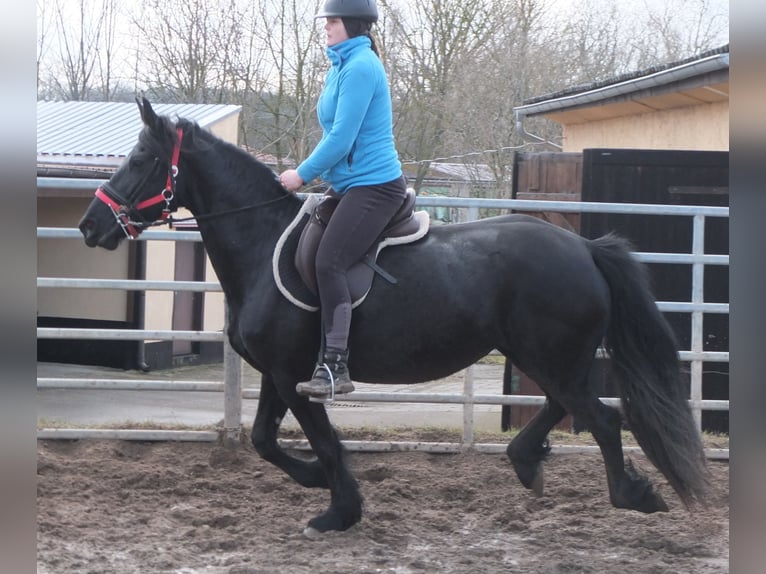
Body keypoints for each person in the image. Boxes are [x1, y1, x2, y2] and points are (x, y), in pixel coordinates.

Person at [279, 0, 407, 398]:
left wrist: (301, 174)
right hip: (349, 184)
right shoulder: (340, 67)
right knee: (308, 244)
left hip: (376, 186)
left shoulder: (362, 67)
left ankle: (335, 365)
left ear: (351, 24)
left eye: (331, 21)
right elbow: (332, 134)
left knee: (329, 260)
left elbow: (342, 138)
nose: (326, 28)